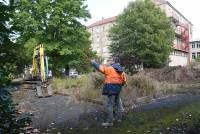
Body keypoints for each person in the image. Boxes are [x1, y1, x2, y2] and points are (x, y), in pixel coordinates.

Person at [91, 58, 126, 127]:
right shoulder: (121, 70)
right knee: (119, 103)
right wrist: (118, 86)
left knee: (110, 105)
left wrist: (93, 62)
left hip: (111, 89)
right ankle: (119, 119)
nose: (109, 62)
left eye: (110, 60)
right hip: (118, 89)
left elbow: (101, 69)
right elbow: (124, 80)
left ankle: (110, 122)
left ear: (113, 61)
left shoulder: (110, 68)